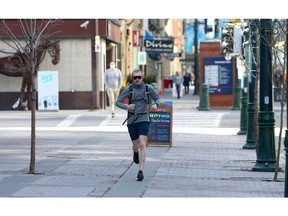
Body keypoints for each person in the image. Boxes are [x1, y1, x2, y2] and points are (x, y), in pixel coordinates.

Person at [115, 69, 161, 181]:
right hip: (132, 120)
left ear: (142, 77)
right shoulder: (129, 89)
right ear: (132, 78)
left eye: (139, 77)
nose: (137, 79)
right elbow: (117, 102)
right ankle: (135, 152)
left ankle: (141, 171)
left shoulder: (148, 88)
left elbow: (157, 98)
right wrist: (127, 107)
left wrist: (155, 104)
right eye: (135, 77)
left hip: (144, 118)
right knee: (136, 145)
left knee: (142, 143)